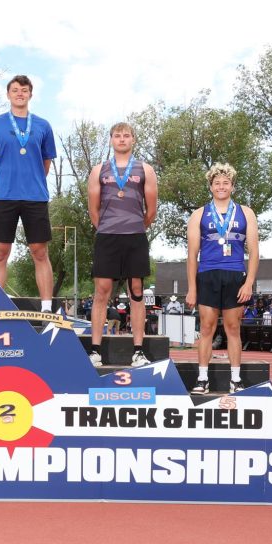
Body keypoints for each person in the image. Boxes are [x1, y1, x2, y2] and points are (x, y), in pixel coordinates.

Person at [0, 74, 57, 311]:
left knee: (40, 251)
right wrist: (10, 179)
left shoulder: (43, 126)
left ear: (30, 95)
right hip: (4, 195)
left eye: (24, 90)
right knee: (0, 252)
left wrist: (30, 180)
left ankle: (46, 307)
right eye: (15, 90)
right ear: (8, 94)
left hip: (35, 195)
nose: (20, 94)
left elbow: (46, 163)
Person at [86, 122, 159, 367]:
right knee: (101, 292)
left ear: (133, 140)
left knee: (136, 292)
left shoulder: (145, 169)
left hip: (135, 236)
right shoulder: (99, 170)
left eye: (126, 135)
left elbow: (151, 210)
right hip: (107, 236)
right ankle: (95, 350)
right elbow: (93, 209)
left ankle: (138, 351)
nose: (122, 139)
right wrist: (107, 228)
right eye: (117, 135)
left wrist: (135, 227)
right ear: (111, 140)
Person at [185, 163, 260, 394]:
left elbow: (255, 252)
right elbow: (192, 254)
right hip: (207, 274)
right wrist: (191, 288)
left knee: (233, 328)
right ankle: (202, 378)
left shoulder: (246, 213)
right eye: (217, 183)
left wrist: (249, 283)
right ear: (210, 187)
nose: (221, 186)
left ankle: (235, 379)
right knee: (206, 328)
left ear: (232, 187)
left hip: (235, 274)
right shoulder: (199, 214)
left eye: (225, 183)